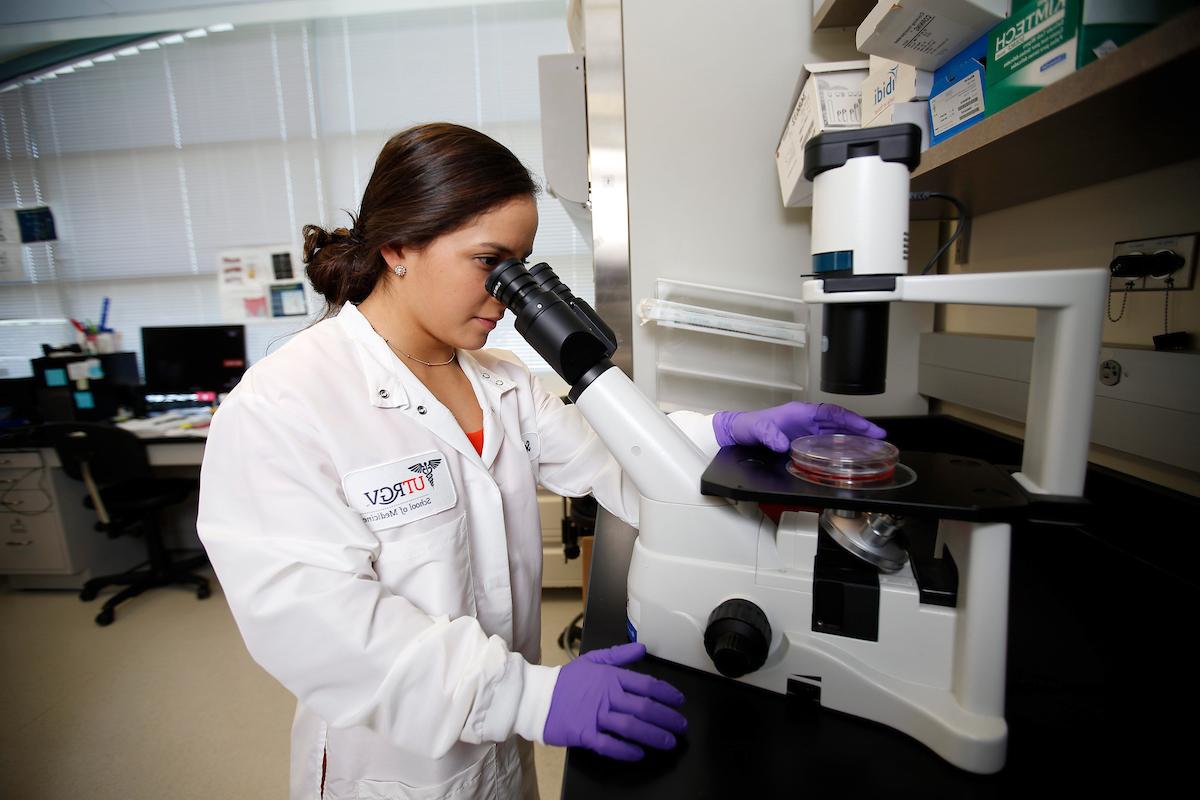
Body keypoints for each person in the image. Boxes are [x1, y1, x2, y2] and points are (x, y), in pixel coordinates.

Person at [197, 123, 885, 800]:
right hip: (390, 764)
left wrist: (727, 434)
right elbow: (319, 626)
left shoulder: (500, 381)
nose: (506, 292)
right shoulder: (285, 403)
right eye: (488, 262)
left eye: (518, 268)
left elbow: (617, 462)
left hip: (501, 754)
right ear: (400, 245)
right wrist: (527, 694)